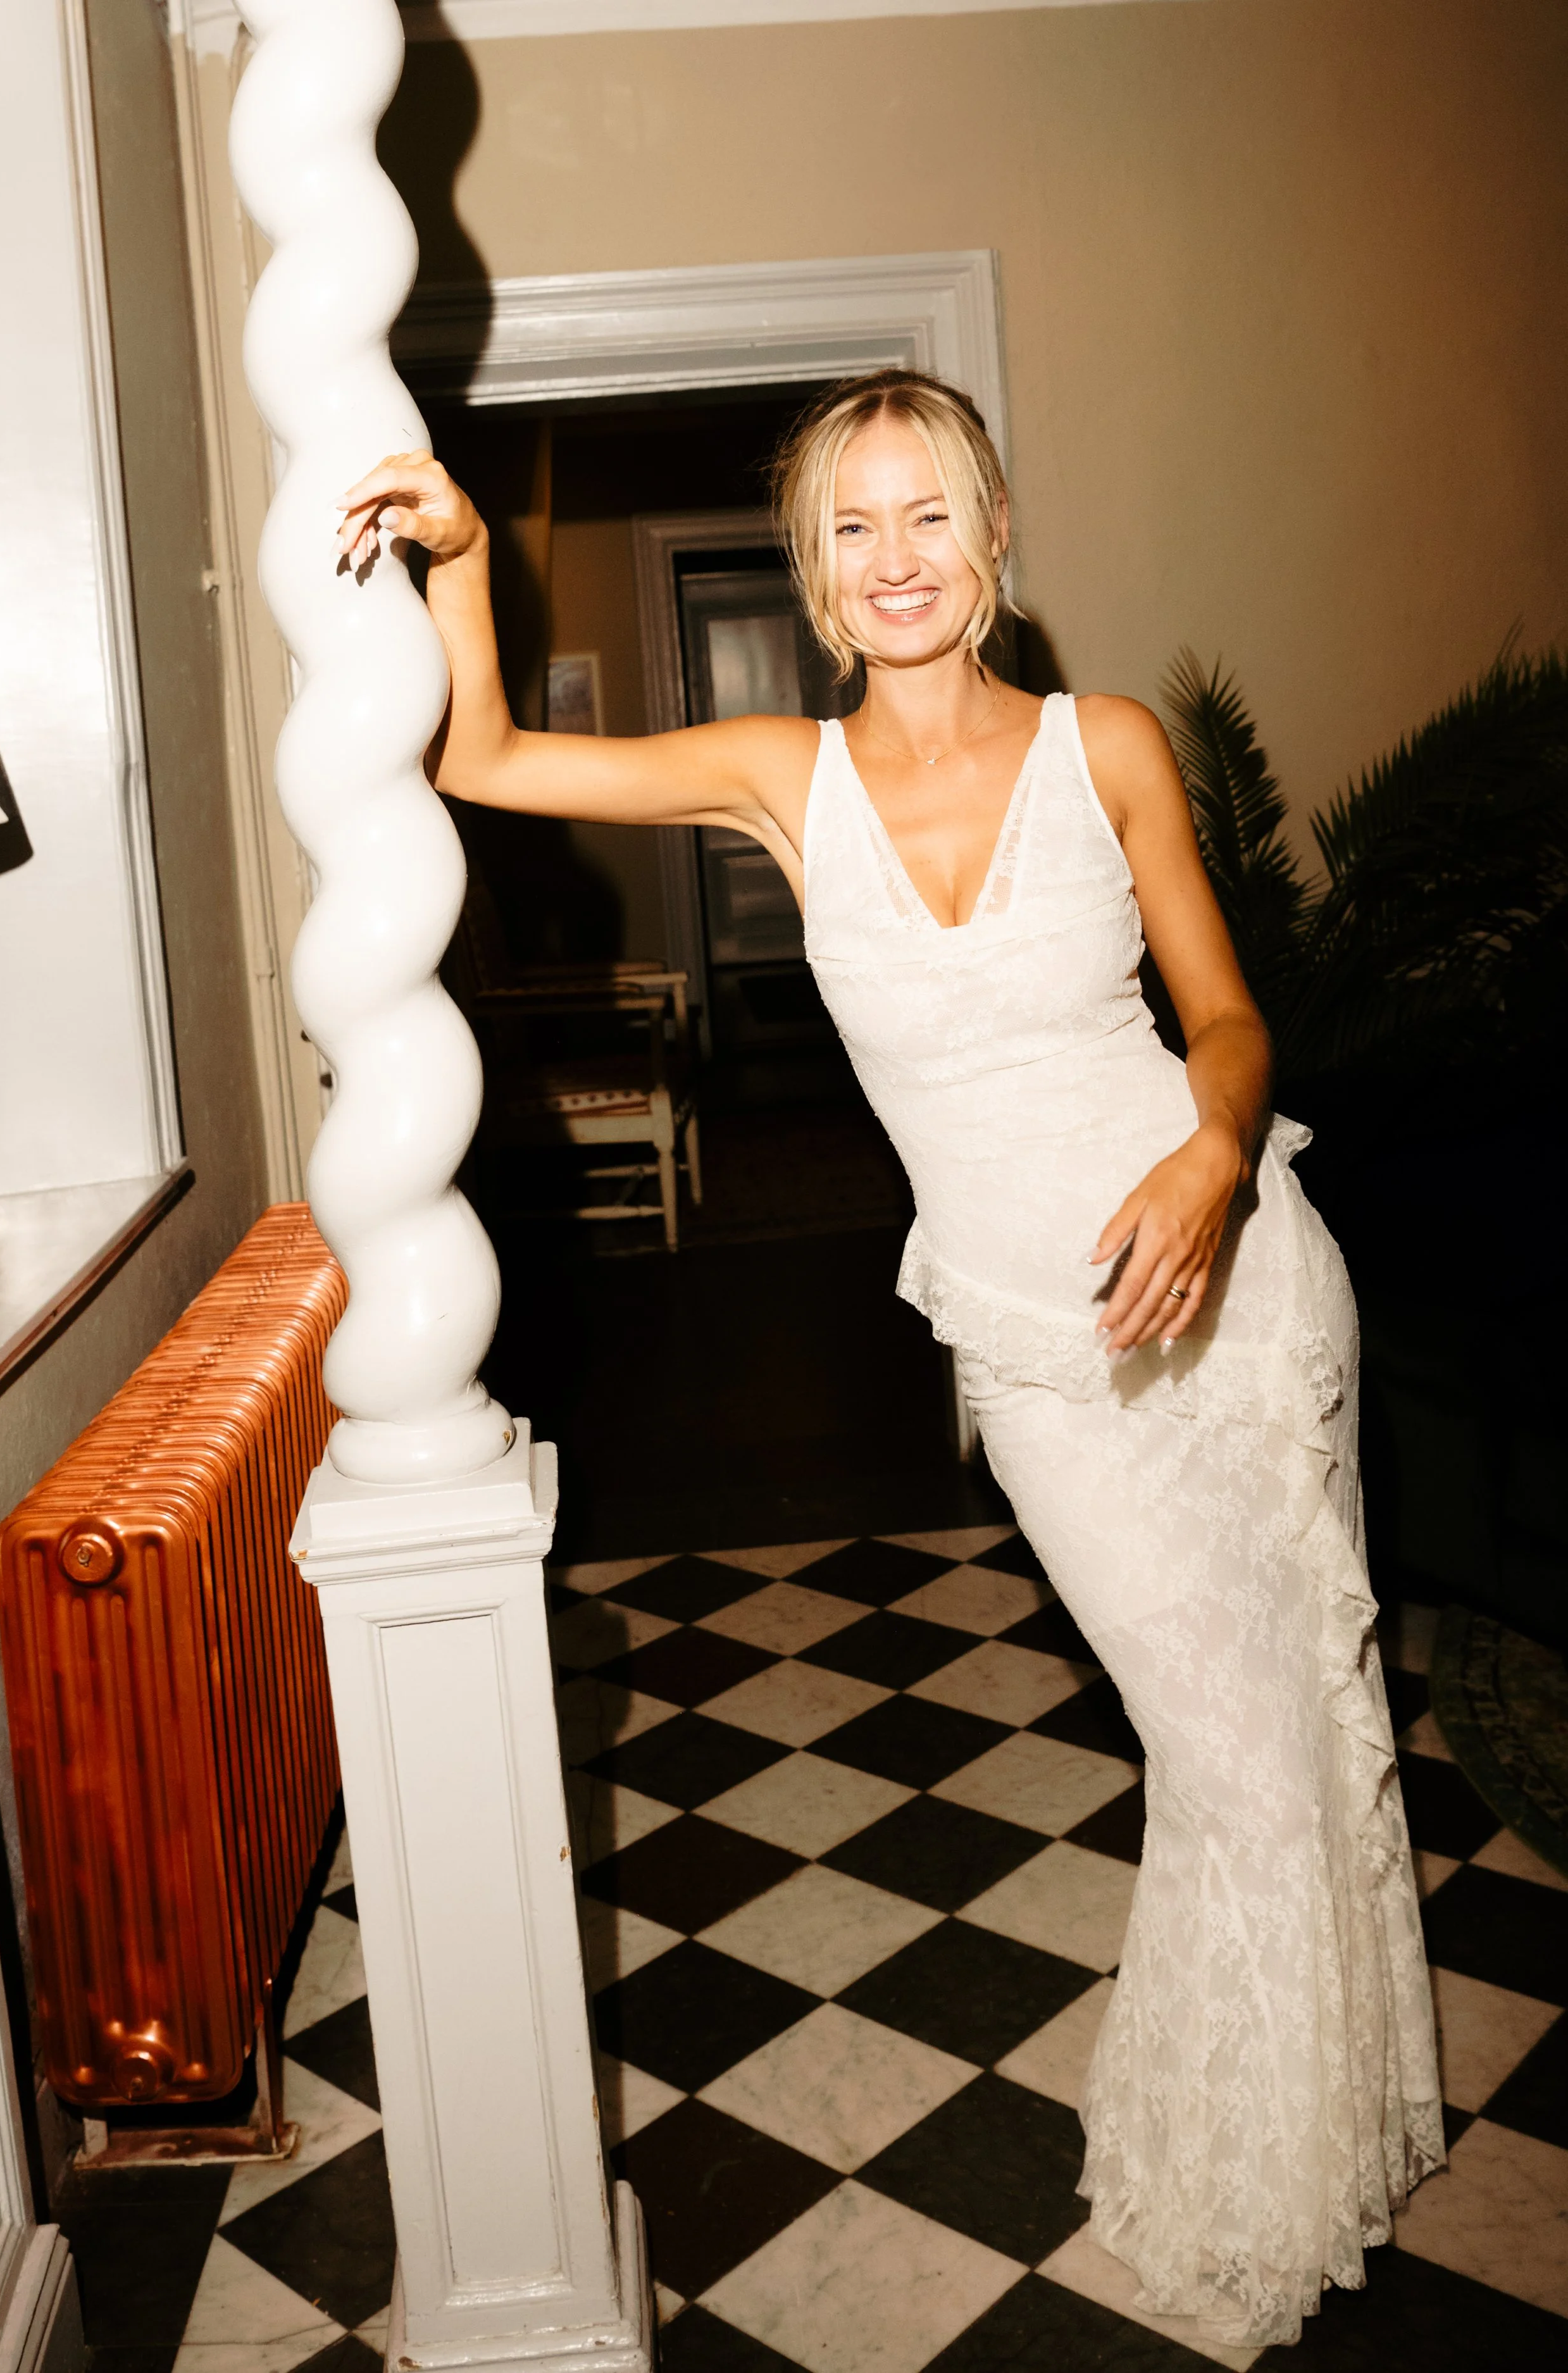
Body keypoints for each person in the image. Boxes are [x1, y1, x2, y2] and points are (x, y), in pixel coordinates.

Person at [338, 370, 1443, 2348]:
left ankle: (1314, 2140)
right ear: (817, 574)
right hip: (1045, 1354)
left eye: (928, 511)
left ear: (996, 532)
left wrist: (1207, 1155)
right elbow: (487, 757)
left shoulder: (1104, 746)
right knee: (1225, 1750)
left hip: (1248, 1288)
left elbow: (1227, 1020)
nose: (895, 557)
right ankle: (1275, 2140)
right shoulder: (784, 772)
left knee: (1301, 1710)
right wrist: (470, 560)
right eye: (852, 527)